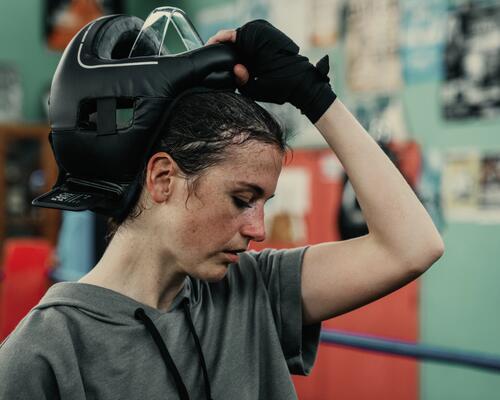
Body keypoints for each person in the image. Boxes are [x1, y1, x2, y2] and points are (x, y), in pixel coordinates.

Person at [0, 13, 444, 400]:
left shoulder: (253, 289)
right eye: (241, 200)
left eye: (264, 203)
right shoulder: (47, 351)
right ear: (163, 179)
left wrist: (314, 95)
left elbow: (412, 246)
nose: (259, 230)